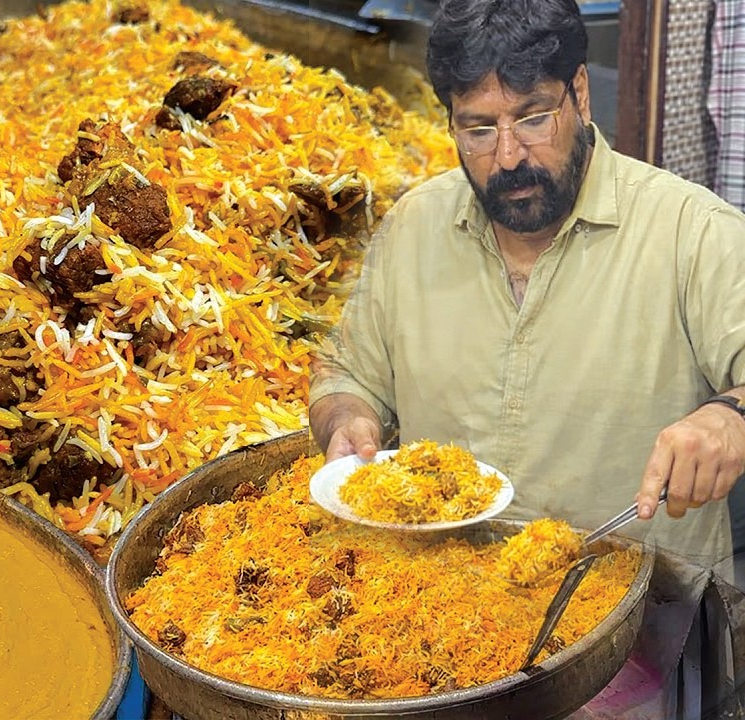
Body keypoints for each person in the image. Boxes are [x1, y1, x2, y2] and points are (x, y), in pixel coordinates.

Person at [309, 0, 745, 570]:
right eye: (479, 129)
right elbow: (346, 374)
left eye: (534, 117)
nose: (509, 156)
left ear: (580, 94)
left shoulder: (693, 232)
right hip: (441, 606)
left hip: (647, 615)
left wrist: (728, 418)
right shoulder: (413, 227)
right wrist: (347, 422)